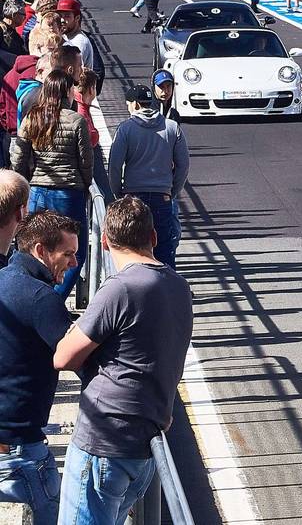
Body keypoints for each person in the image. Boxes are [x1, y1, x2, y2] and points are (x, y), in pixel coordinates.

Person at [53, 196, 193, 525]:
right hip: (144, 443)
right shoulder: (179, 287)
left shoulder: (120, 288)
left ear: (104, 241)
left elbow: (63, 357)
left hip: (104, 439)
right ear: (153, 237)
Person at [0, 194, 76, 525]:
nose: (73, 263)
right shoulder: (41, 299)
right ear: (41, 251)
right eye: (68, 254)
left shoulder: (4, 281)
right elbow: (82, 361)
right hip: (21, 452)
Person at [10, 70, 92, 298]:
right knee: (75, 252)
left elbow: (18, 157)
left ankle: (33, 297)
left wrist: (24, 184)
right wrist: (85, 185)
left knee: (34, 248)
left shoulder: (32, 118)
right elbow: (86, 162)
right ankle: (55, 299)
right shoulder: (76, 121)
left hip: (37, 190)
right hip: (69, 192)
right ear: (66, 91)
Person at [106, 85, 188, 269]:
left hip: (134, 197)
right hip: (162, 197)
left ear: (135, 104)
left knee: (134, 247)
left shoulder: (125, 129)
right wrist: (171, 191)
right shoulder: (171, 127)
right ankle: (167, 284)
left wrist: (118, 193)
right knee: (164, 248)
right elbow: (183, 165)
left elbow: (114, 166)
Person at [55, 0, 95, 75]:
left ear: (77, 18)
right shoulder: (64, 36)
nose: (62, 20)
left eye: (67, 16)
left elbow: (75, 73)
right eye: (60, 16)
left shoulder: (80, 42)